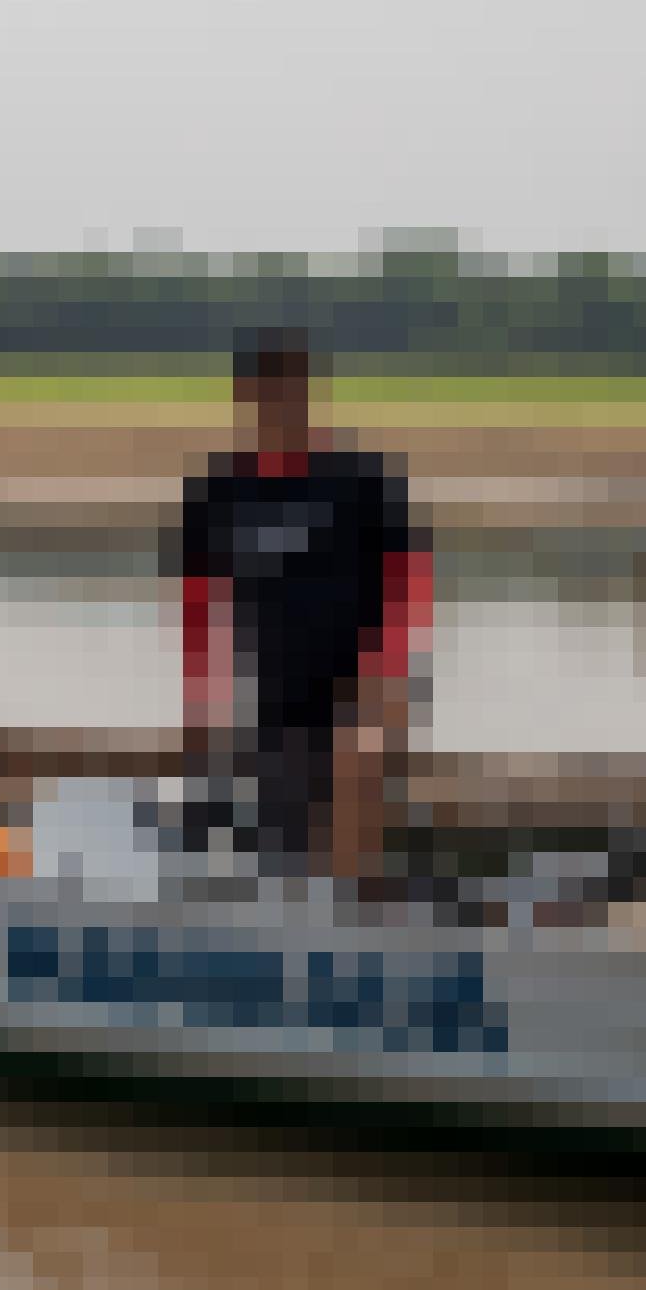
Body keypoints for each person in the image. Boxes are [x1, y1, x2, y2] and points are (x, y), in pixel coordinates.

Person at [173, 331, 430, 879]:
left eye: (289, 392)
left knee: (354, 826)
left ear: (307, 395)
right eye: (267, 394)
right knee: (286, 856)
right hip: (275, 701)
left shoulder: (358, 482)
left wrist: (391, 679)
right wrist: (200, 712)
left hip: (357, 692)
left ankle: (363, 908)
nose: (278, 406)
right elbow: (199, 605)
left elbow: (407, 578)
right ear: (249, 399)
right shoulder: (221, 493)